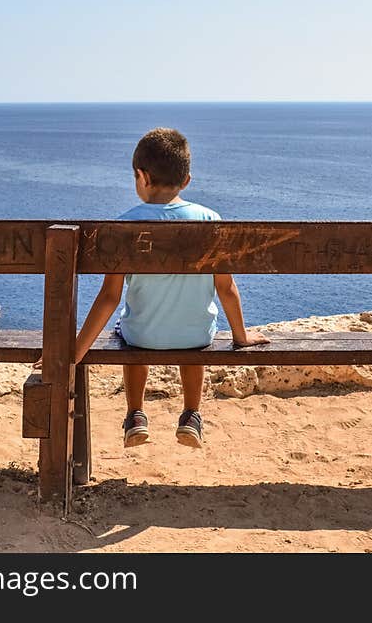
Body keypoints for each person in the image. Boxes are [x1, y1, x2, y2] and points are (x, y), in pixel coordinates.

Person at [34, 127, 268, 449]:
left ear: (141, 176)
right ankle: (191, 415)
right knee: (193, 330)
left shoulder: (125, 225)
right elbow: (226, 289)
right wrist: (241, 337)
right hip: (196, 337)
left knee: (130, 325)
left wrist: (74, 353)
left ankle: (136, 415)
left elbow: (109, 298)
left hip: (143, 336)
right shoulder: (210, 220)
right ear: (186, 180)